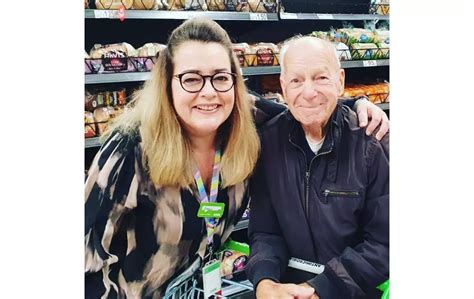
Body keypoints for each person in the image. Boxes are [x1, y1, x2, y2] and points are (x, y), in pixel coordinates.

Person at [85, 18, 389, 298]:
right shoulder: (129, 150)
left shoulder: (248, 120)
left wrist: (357, 104)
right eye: (191, 79)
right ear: (168, 83)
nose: (208, 92)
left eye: (220, 77)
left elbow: (307, 108)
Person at [247, 36, 389, 299]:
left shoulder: (372, 144)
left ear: (341, 81)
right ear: (283, 87)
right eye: (296, 80)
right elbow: (265, 231)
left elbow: (385, 242)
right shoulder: (268, 142)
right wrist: (265, 281)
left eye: (321, 78)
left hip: (350, 291)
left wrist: (322, 287)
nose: (309, 92)